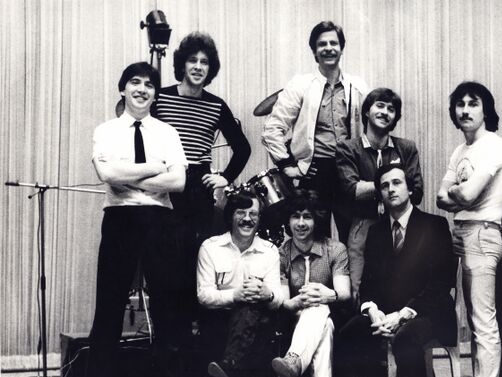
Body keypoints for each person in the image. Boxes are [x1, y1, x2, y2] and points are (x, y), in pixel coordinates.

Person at [84, 62, 193, 377]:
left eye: (149, 84)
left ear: (155, 93)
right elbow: (107, 176)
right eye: (135, 82)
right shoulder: (106, 131)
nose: (142, 89)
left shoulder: (167, 132)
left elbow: (178, 181)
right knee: (109, 311)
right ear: (123, 89)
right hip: (120, 220)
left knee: (168, 313)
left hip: (160, 222)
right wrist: (153, 169)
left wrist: (130, 175)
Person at [340, 164, 457, 377]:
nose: (391, 189)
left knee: (406, 337)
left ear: (410, 189)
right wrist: (373, 312)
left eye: (396, 183)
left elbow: (441, 283)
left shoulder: (435, 225)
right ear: (380, 194)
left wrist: (403, 314)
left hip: (429, 312)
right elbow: (368, 284)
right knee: (350, 333)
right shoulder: (376, 232)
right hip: (388, 314)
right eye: (384, 186)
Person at [155, 31, 251, 312]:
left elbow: (243, 148)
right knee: (165, 260)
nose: (198, 67)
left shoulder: (216, 105)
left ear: (211, 68)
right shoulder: (161, 98)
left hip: (198, 188)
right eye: (192, 60)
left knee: (194, 259)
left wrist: (225, 177)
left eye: (204, 62)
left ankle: (191, 328)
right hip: (166, 183)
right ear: (182, 64)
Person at [436, 81, 502, 377]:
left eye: (473, 103)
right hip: (461, 232)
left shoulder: (493, 145)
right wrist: (461, 192)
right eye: (460, 104)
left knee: (482, 320)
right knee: (470, 320)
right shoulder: (460, 151)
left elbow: (464, 196)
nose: (465, 110)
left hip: (482, 233)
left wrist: (459, 192)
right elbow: (441, 197)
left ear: (486, 110)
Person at [261, 21, 368, 241]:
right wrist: (287, 165)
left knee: (354, 239)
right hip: (315, 171)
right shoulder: (300, 85)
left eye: (333, 43)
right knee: (315, 240)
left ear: (341, 48)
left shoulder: (358, 87)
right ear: (314, 51)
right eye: (322, 44)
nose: (328, 48)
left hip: (349, 171)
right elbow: (272, 129)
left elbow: (372, 128)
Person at [197, 192, 282, 377]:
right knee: (247, 308)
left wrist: (267, 293)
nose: (247, 219)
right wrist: (236, 295)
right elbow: (204, 295)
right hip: (219, 317)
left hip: (257, 319)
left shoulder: (269, 250)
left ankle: (229, 366)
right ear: (230, 216)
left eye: (253, 213)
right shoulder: (211, 247)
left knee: (253, 310)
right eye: (241, 213)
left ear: (260, 218)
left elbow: (278, 297)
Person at [273, 190, 351, 377]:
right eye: (295, 216)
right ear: (288, 221)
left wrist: (325, 294)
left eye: (307, 216)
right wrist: (299, 301)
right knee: (320, 324)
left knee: (321, 315)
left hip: (331, 315)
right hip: (293, 319)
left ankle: (294, 359)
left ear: (316, 220)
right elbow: (285, 302)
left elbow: (344, 293)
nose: (301, 223)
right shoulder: (281, 253)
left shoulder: (335, 249)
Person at [336, 87, 423, 297]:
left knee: (401, 286)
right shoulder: (348, 148)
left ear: (395, 117)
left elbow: (417, 191)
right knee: (358, 289)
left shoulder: (406, 148)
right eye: (380, 106)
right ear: (367, 111)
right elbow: (352, 189)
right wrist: (394, 185)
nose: (385, 112)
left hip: (399, 225)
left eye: (391, 109)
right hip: (363, 226)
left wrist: (370, 188)